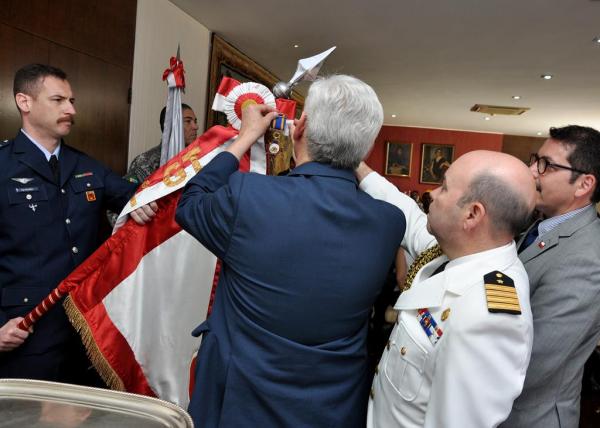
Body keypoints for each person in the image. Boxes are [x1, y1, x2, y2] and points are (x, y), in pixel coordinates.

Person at [175, 75, 406, 427]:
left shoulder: (249, 196)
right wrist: (349, 147)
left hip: (239, 405)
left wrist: (245, 137)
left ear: (301, 128)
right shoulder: (388, 223)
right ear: (369, 147)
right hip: (332, 410)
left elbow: (190, 203)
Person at [356, 149, 537, 427]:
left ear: (472, 214)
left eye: (444, 187)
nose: (432, 193)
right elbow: (407, 213)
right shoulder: (457, 252)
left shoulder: (488, 317)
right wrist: (357, 165)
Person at [0, 64, 154, 384]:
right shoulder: (3, 166)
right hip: (25, 329)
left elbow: (140, 197)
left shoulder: (85, 165)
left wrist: (144, 201)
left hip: (86, 328)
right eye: (58, 100)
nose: (71, 109)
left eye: (72, 101)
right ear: (24, 102)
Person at [501, 125, 600, 428]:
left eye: (546, 165)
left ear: (584, 184)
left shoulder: (587, 258)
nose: (532, 171)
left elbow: (536, 361)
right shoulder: (540, 225)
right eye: (535, 159)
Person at [125, 104, 199, 184]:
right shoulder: (145, 162)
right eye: (188, 121)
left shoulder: (197, 158)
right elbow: (132, 194)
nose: (196, 127)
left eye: (195, 121)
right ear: (171, 127)